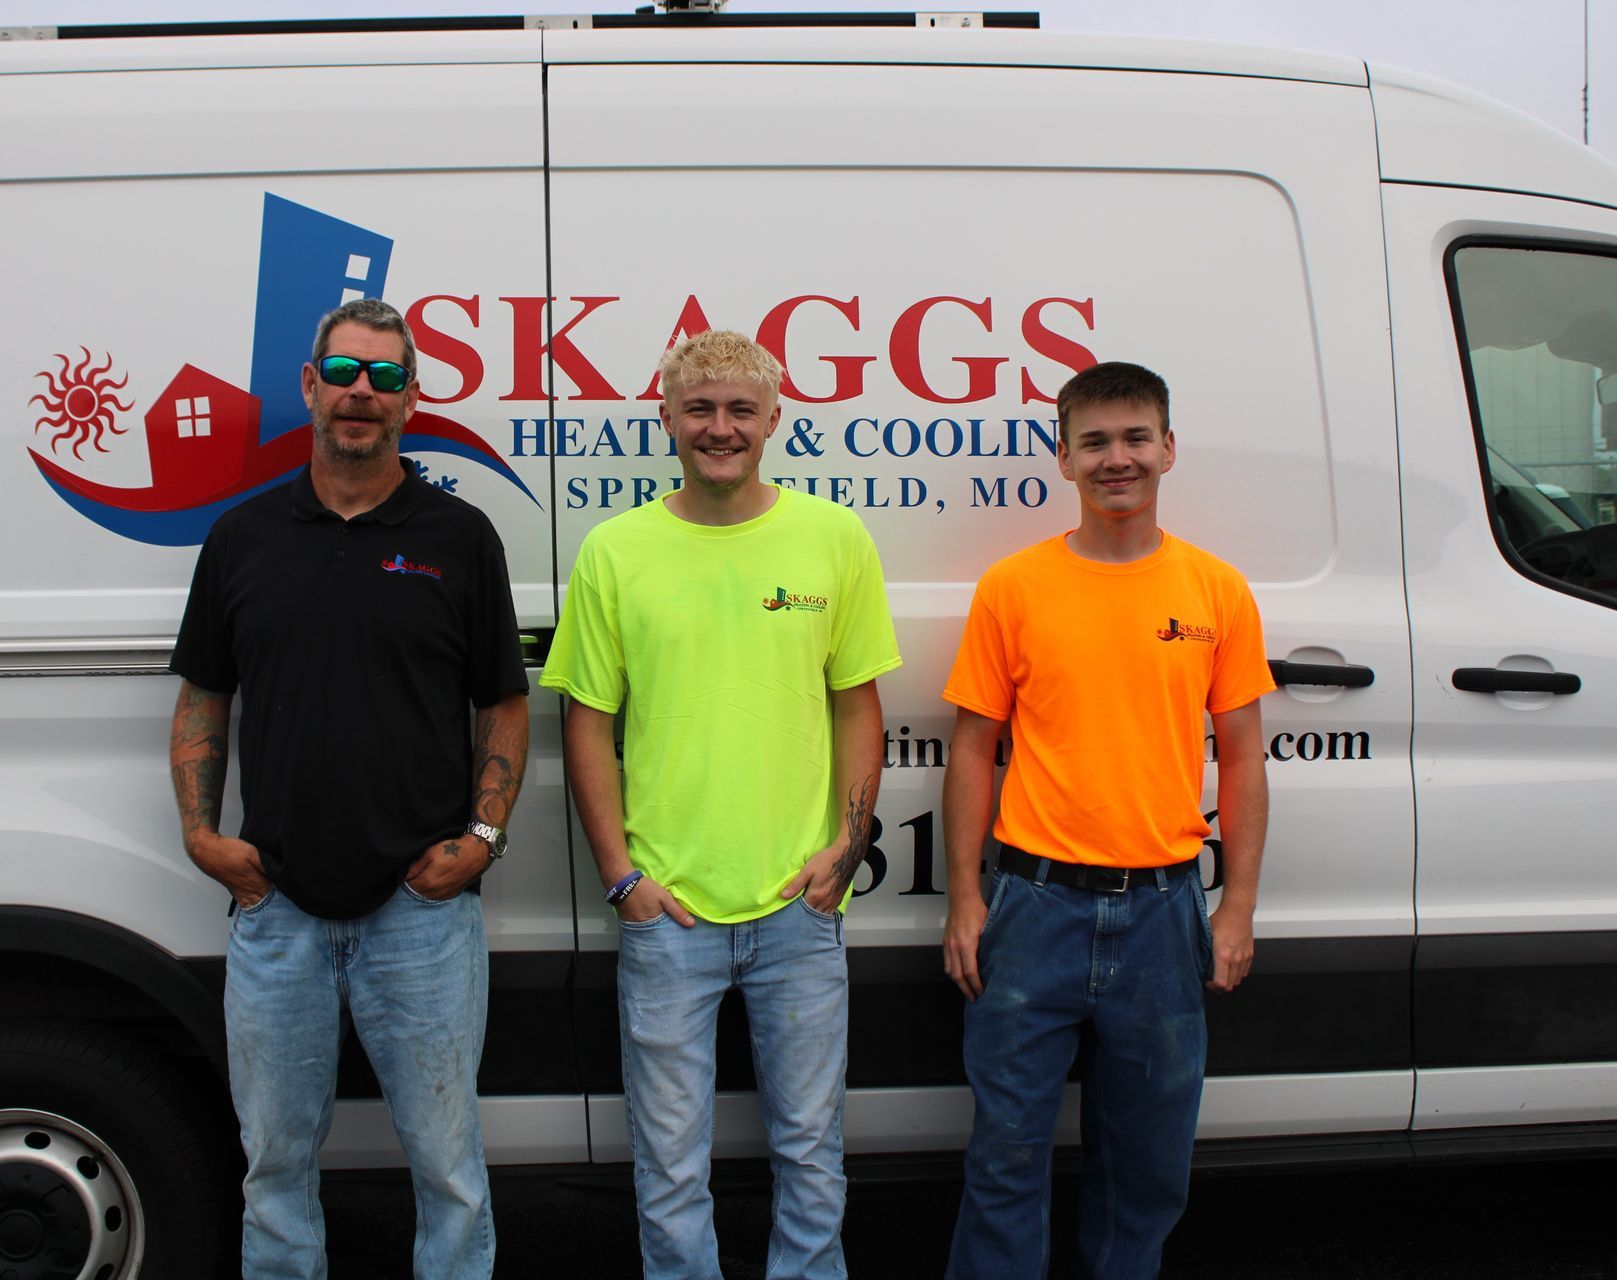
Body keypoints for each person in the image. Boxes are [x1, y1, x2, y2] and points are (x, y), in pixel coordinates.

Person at [167, 296, 528, 1280]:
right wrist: (203, 836)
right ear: (310, 386)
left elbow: (503, 703)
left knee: (448, 1168)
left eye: (388, 375)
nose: (364, 392)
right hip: (274, 903)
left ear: (412, 399)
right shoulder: (243, 537)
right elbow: (205, 693)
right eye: (347, 371)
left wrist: (482, 840)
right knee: (274, 1165)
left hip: (423, 907)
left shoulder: (459, 536)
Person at [541, 329, 901, 1279]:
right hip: (671, 914)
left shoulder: (833, 539)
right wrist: (623, 877)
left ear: (774, 420)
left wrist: (845, 847)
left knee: (812, 1155)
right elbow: (586, 723)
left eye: (742, 409)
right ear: (665, 420)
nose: (720, 427)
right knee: (667, 1166)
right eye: (699, 409)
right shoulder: (617, 552)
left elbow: (858, 704)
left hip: (799, 905)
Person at [939, 361, 1273, 1280]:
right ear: (1064, 457)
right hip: (1032, 907)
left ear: (1168, 448)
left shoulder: (1216, 590)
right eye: (1094, 441)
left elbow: (1242, 756)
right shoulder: (1015, 587)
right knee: (1005, 1156)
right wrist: (965, 898)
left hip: (1165, 917)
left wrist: (1235, 908)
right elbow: (974, 749)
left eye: (1134, 438)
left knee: (1147, 1165)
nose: (1115, 458)